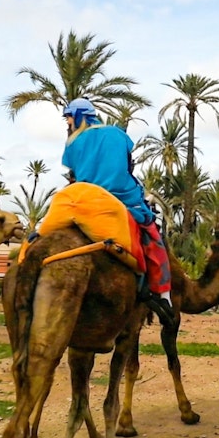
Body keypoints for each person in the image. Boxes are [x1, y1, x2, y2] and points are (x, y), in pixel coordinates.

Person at [60, 97, 176, 324]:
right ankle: (163, 295)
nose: (67, 123)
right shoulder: (118, 134)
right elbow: (128, 165)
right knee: (152, 236)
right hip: (122, 197)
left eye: (69, 117)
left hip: (85, 197)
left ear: (80, 116)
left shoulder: (73, 141)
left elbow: (74, 174)